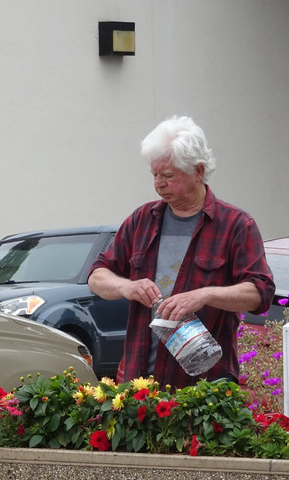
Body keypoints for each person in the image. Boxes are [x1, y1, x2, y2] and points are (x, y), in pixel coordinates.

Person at [88, 116, 275, 389]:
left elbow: (261, 293)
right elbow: (96, 276)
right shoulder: (142, 220)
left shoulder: (235, 225)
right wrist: (127, 287)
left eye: (168, 175)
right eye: (154, 175)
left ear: (198, 171)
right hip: (139, 384)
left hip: (206, 387)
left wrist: (204, 295)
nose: (159, 184)